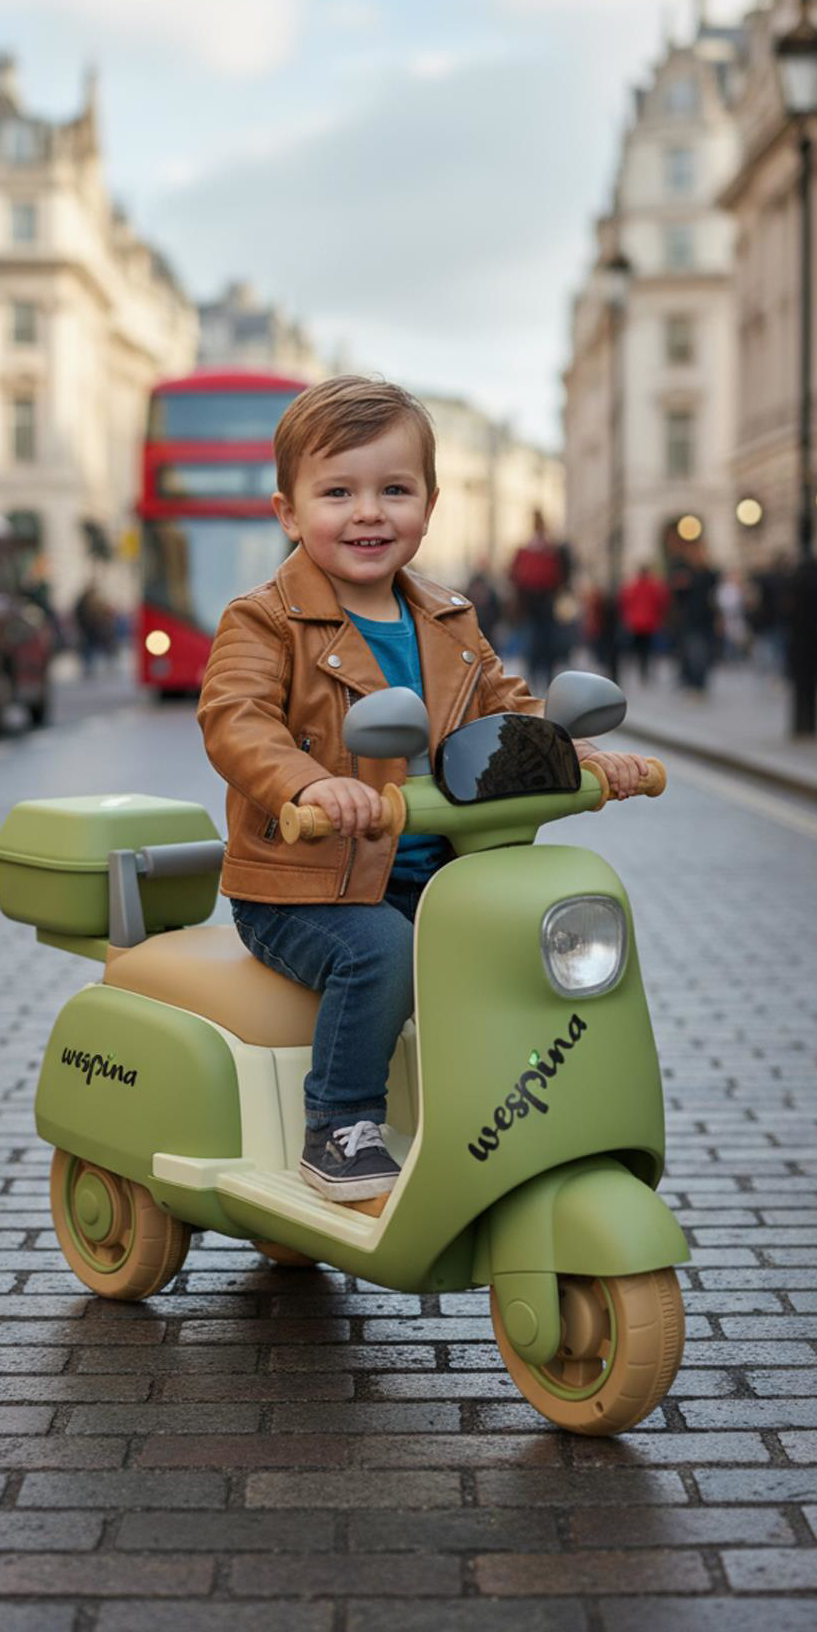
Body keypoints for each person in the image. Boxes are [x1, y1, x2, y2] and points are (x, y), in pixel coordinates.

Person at [197, 376, 650, 1205]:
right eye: (338, 492)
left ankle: (506, 1116)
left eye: (393, 490)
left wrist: (572, 750)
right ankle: (339, 1128)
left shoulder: (448, 618)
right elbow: (236, 719)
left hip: (438, 870)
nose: (369, 512)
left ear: (429, 505)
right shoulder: (262, 620)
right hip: (310, 887)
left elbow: (504, 707)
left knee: (530, 944)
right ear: (289, 513)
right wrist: (312, 786)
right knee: (379, 954)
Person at [509, 510, 572, 693]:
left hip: (544, 601)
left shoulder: (550, 550)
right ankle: (537, 677)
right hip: (533, 602)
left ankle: (542, 677)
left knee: (544, 642)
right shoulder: (532, 550)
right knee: (536, 642)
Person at [668, 541, 719, 693]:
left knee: (703, 654)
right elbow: (676, 594)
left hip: (705, 621)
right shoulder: (684, 572)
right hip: (690, 621)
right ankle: (695, 683)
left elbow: (715, 596)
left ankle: (699, 683)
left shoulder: (710, 574)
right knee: (693, 653)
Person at [619, 563, 669, 684]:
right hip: (650, 623)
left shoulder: (633, 586)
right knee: (649, 649)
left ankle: (641, 671)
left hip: (636, 623)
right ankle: (646, 672)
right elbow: (661, 601)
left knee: (638, 649)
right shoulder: (654, 586)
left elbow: (625, 601)